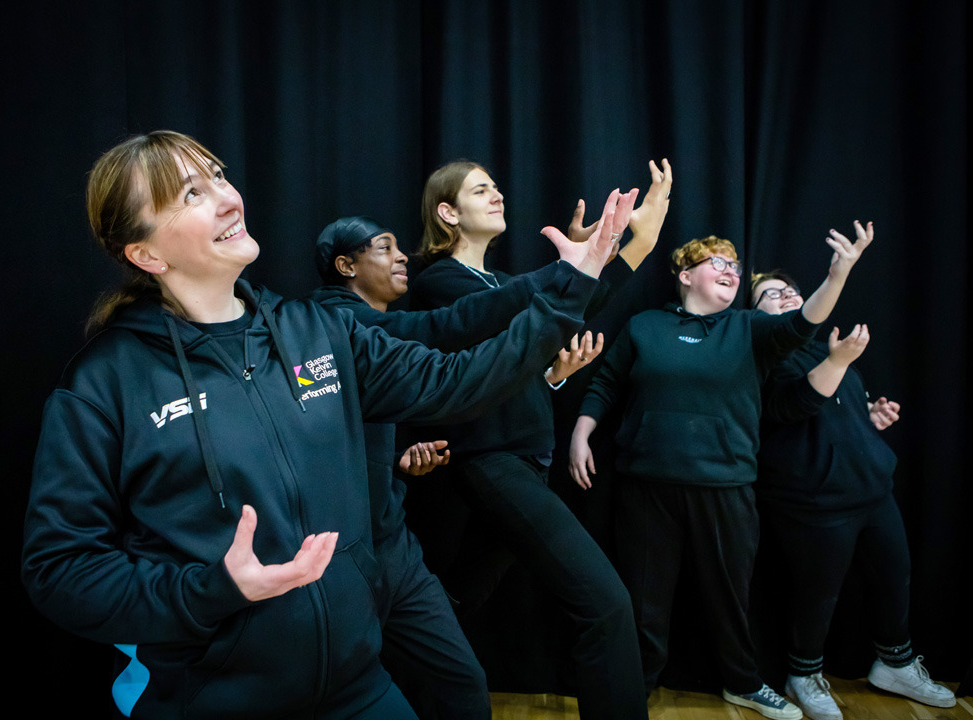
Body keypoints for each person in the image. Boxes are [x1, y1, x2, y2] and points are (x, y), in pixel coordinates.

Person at [20, 131, 619, 720]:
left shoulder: (316, 330)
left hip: (356, 687)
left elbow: (456, 379)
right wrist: (215, 590)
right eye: (191, 194)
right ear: (147, 254)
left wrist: (575, 282)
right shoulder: (105, 384)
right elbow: (61, 571)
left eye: (220, 177)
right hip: (211, 698)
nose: (229, 197)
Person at [308, 205, 634, 719]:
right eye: (385, 247)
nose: (402, 257)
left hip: (392, 540)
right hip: (350, 549)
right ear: (347, 267)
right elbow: (452, 331)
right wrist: (572, 270)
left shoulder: (375, 329)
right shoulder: (331, 318)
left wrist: (397, 459)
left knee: (458, 672)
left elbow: (350, 426)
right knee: (599, 606)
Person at [402, 159, 672, 720]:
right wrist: (620, 249)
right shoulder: (439, 282)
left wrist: (554, 373)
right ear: (448, 212)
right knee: (605, 606)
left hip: (525, 459)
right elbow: (541, 314)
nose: (498, 194)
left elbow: (521, 352)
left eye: (497, 185)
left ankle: (395, 672)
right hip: (491, 462)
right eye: (481, 189)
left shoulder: (500, 283)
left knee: (453, 599)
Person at [569, 224, 874, 720]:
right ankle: (636, 688)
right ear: (686, 276)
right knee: (644, 602)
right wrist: (582, 433)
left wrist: (838, 274)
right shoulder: (645, 324)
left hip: (725, 487)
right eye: (719, 263)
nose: (731, 271)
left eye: (735, 266)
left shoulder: (749, 328)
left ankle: (743, 683)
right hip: (647, 487)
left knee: (730, 599)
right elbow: (606, 382)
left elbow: (804, 323)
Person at [750, 270, 955, 720]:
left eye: (791, 290)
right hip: (815, 504)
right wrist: (838, 362)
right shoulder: (762, 356)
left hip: (873, 492)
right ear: (753, 312)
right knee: (818, 595)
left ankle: (896, 664)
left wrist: (868, 416)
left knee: (894, 577)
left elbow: (830, 414)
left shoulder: (827, 351)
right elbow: (793, 406)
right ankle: (803, 675)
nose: (786, 295)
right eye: (770, 293)